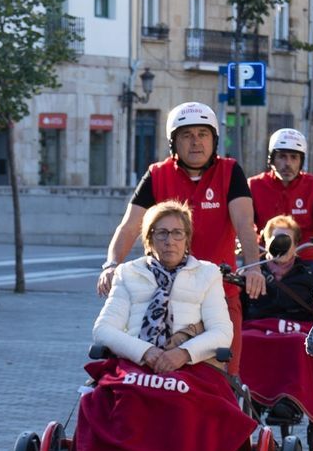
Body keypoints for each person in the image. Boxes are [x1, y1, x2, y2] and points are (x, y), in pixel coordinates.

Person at [82, 200, 245, 451]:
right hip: (137, 360)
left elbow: (222, 333)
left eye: (177, 233)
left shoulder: (207, 274)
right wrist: (147, 353)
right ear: (149, 239)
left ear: (187, 238)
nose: (170, 240)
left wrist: (182, 354)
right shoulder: (128, 274)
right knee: (120, 392)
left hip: (190, 363)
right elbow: (103, 330)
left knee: (182, 393)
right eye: (161, 233)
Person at [101, 102, 264, 372]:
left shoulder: (230, 171)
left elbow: (245, 224)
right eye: (187, 135)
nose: (196, 142)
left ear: (214, 140)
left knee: (226, 376)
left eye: (203, 134)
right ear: (173, 142)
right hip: (164, 295)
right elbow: (130, 225)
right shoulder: (157, 174)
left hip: (220, 291)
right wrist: (111, 265)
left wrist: (254, 267)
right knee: (145, 373)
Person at [247, 128, 313, 264]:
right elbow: (244, 224)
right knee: (247, 281)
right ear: (272, 159)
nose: (288, 164)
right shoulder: (254, 185)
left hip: (305, 258)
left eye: (294, 157)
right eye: (282, 156)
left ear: (301, 161)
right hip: (266, 258)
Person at [243, 215, 313, 324]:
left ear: (295, 245)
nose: (282, 245)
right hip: (258, 333)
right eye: (276, 240)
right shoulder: (251, 273)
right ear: (266, 243)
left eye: (287, 241)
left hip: (297, 335)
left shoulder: (310, 274)